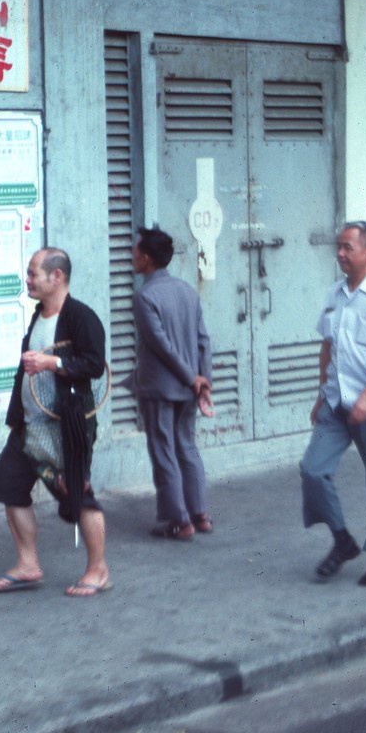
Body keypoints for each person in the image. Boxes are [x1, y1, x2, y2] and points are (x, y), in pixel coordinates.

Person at [0, 247, 112, 597]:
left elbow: (94, 365)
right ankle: (27, 564)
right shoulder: (38, 314)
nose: (27, 280)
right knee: (8, 486)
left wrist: (51, 363)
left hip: (64, 428)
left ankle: (98, 570)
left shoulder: (81, 317)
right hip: (29, 426)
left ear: (56, 277)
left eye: (32, 273)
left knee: (79, 495)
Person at [300, 221, 366, 587]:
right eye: (339, 247)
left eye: (347, 247)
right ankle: (343, 540)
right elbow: (327, 347)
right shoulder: (334, 294)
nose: (340, 253)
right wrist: (320, 394)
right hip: (336, 403)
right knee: (313, 470)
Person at [127, 226, 215, 541]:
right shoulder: (188, 291)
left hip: (160, 387)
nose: (133, 256)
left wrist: (193, 378)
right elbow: (203, 339)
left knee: (163, 450)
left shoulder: (144, 295)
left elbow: (161, 345)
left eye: (136, 252)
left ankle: (178, 520)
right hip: (189, 386)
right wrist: (202, 380)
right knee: (187, 447)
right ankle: (200, 513)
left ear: (147, 259)